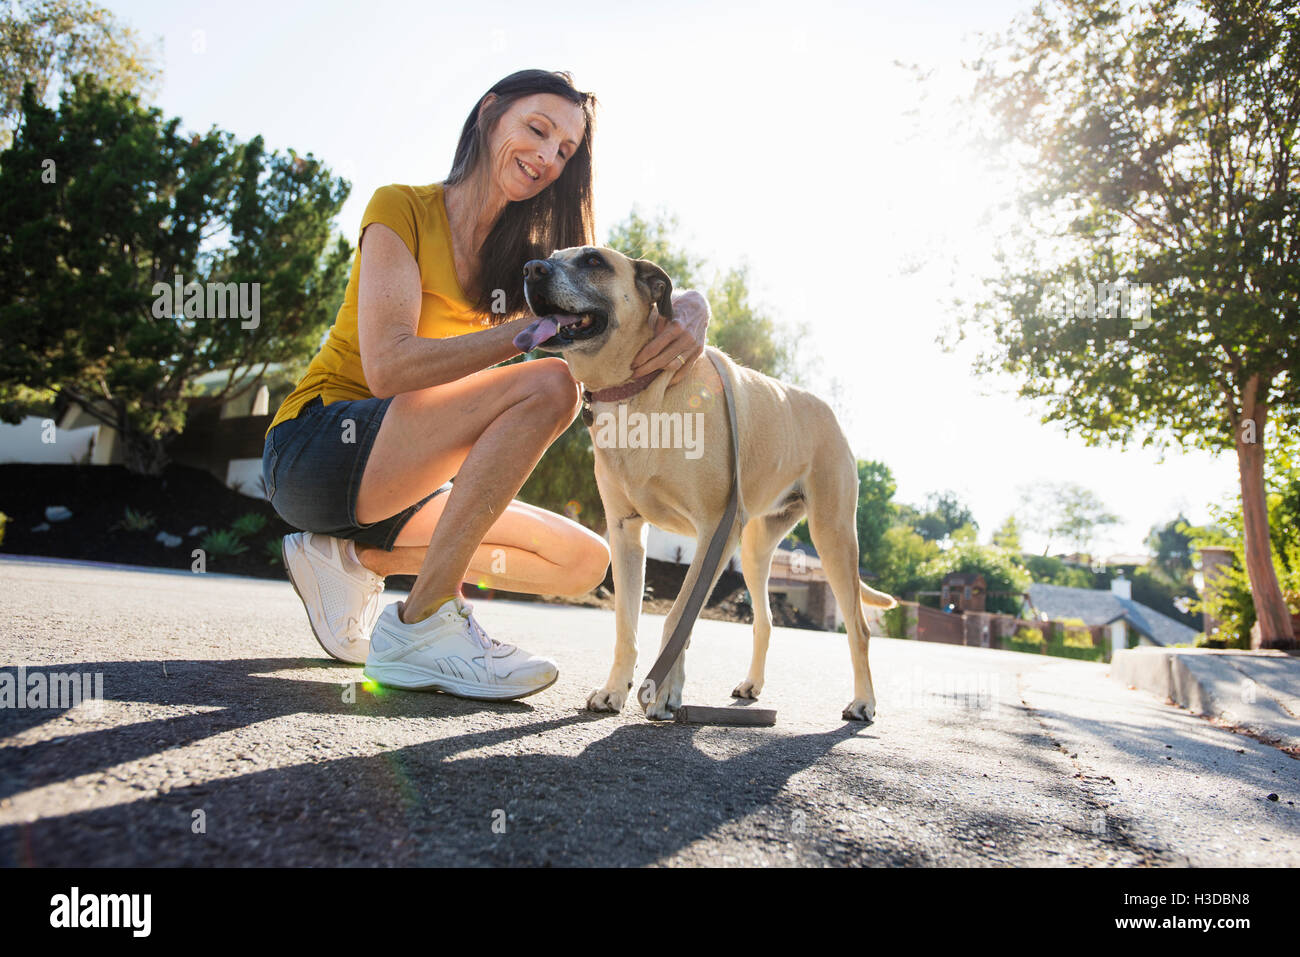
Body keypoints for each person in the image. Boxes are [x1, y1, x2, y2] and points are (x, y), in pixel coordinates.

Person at [261, 69, 710, 702]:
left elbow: (621, 284)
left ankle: (353, 560)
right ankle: (425, 621)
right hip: (315, 449)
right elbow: (389, 368)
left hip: (401, 484)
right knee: (553, 385)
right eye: (538, 129)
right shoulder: (402, 208)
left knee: (584, 562)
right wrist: (528, 333)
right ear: (489, 114)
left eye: (565, 151)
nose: (548, 157)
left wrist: (692, 303)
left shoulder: (530, 260)